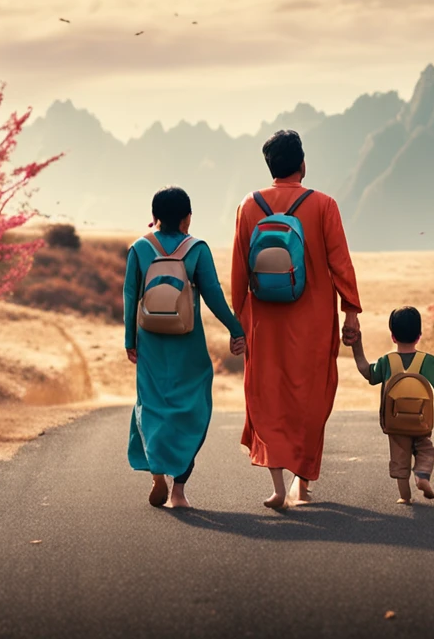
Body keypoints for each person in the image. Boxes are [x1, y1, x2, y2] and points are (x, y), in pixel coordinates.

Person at [232, 130, 362, 509]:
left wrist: (237, 324)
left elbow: (240, 272)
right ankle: (301, 486)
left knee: (267, 396)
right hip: (314, 324)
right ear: (303, 164)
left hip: (264, 325)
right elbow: (341, 265)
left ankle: (277, 487)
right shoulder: (324, 205)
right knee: (311, 399)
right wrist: (350, 315)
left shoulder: (248, 205)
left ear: (269, 166)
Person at [125, 187, 246, 509]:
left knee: (150, 406)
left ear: (154, 218)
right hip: (188, 345)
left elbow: (129, 296)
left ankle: (156, 473)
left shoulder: (139, 248)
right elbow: (214, 297)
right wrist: (237, 330)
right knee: (193, 410)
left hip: (150, 343)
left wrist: (129, 341)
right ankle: (178, 491)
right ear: (187, 217)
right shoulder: (196, 249)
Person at [350, 306, 434, 505]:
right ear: (419, 336)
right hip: (421, 422)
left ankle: (405, 497)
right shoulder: (428, 360)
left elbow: (367, 372)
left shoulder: (386, 361)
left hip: (395, 422)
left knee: (400, 460)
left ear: (393, 336)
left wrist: (357, 346)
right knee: (425, 450)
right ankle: (422, 476)